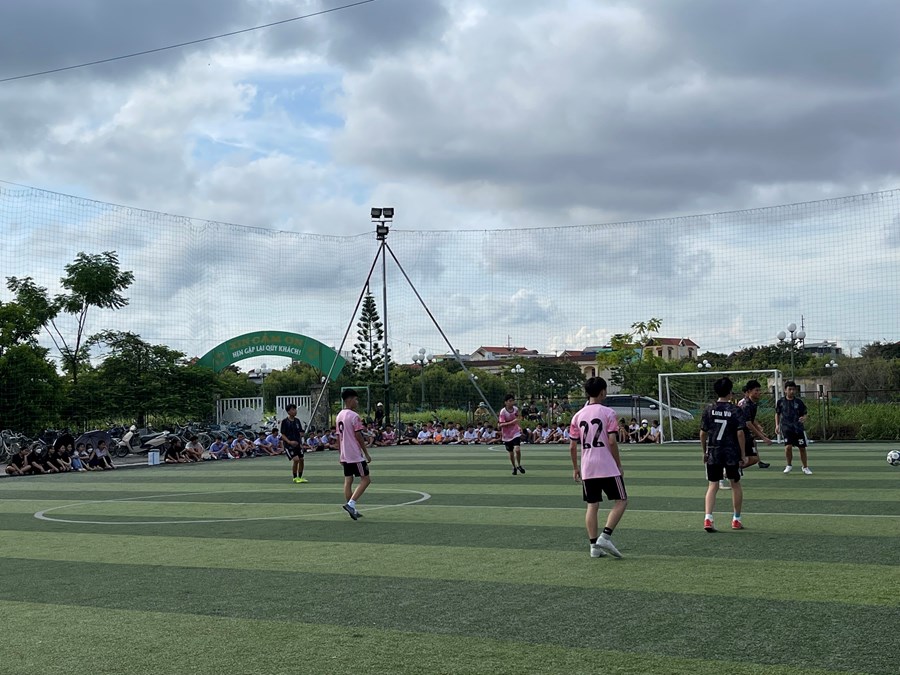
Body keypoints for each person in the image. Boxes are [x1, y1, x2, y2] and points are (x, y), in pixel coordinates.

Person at [568, 377, 627, 559]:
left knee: (592, 505)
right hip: (606, 465)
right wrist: (618, 464)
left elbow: (572, 446)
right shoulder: (608, 412)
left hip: (588, 466)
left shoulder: (578, 415)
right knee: (621, 501)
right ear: (603, 392)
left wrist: (575, 467)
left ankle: (594, 547)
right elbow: (612, 441)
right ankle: (605, 536)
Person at [700, 377, 747, 532]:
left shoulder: (709, 409)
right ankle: (736, 519)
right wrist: (743, 454)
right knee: (735, 484)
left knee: (713, 485)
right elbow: (740, 433)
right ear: (730, 392)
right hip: (731, 452)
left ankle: (708, 518)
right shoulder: (735, 410)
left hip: (714, 451)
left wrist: (704, 451)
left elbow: (703, 433)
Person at [336, 388, 372, 520]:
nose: (357, 402)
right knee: (366, 479)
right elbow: (358, 435)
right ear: (349, 400)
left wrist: (340, 454)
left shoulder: (339, 415)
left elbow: (338, 436)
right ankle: (351, 504)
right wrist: (366, 453)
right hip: (354, 453)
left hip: (345, 454)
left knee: (348, 480)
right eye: (356, 399)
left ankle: (352, 508)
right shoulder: (354, 416)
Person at [776, 380, 811, 474]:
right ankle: (789, 465)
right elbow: (777, 413)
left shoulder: (799, 402)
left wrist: (804, 418)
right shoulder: (781, 402)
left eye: (793, 389)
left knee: (802, 448)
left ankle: (805, 467)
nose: (792, 391)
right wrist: (777, 425)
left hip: (798, 428)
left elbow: (805, 413)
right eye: (790, 389)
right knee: (788, 447)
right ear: (785, 390)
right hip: (786, 427)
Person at [738, 380, 772, 470]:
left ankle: (732, 470)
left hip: (744, 432)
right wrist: (763, 437)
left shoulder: (752, 403)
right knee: (752, 459)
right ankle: (731, 470)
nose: (759, 392)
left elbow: (751, 420)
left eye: (759, 390)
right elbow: (748, 423)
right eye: (756, 390)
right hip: (740, 433)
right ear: (748, 392)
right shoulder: (746, 405)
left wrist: (760, 430)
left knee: (753, 452)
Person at [499, 394, 525, 475]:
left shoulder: (515, 409)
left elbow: (517, 420)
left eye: (512, 401)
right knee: (511, 452)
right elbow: (501, 424)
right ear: (506, 402)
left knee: (517, 449)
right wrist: (511, 422)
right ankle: (514, 467)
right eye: (510, 401)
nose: (511, 402)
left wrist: (520, 427)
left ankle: (519, 465)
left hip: (515, 432)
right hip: (506, 434)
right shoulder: (503, 412)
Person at [281, 403, 307, 483]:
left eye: (295, 409)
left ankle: (300, 477)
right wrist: (289, 442)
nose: (295, 411)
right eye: (292, 409)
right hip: (289, 445)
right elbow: (283, 435)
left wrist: (302, 436)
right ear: (288, 412)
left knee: (301, 459)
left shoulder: (297, 421)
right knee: (296, 460)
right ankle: (295, 477)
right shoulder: (285, 422)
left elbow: (300, 432)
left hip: (297, 444)